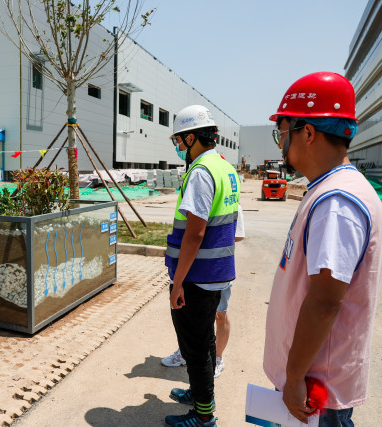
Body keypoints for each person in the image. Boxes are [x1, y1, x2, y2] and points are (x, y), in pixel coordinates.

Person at [264, 71, 382, 426]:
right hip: (312, 379)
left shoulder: (336, 203)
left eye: (282, 132)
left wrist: (295, 377)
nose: (280, 142)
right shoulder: (329, 188)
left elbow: (325, 301)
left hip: (317, 391)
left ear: (308, 133)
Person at [163, 105, 240, 427]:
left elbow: (195, 233)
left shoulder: (200, 172)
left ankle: (203, 416)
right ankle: (199, 394)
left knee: (194, 348)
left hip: (196, 277)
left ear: (192, 137)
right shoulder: (224, 167)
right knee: (205, 341)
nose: (179, 147)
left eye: (180, 141)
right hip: (216, 273)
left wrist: (178, 282)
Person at [162, 205, 244, 378]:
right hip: (194, 273)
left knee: (220, 315)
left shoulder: (232, 205)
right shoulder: (196, 204)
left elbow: (238, 235)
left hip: (217, 271)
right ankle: (186, 352)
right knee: (190, 320)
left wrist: (212, 237)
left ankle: (217, 358)